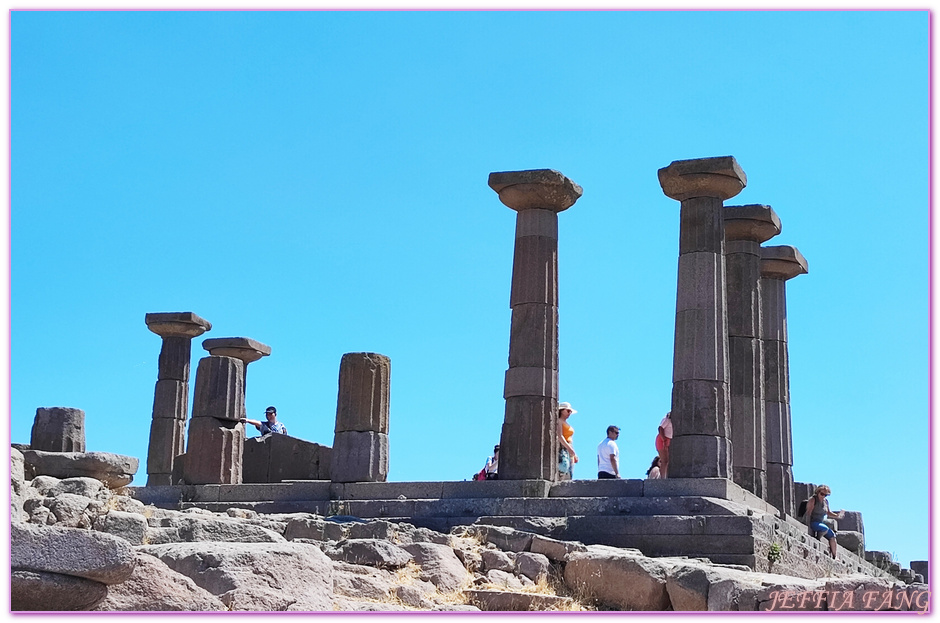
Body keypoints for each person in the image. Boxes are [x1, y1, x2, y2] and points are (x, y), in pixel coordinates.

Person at [806, 484, 845, 559]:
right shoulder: (813, 500)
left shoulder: (825, 502)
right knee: (825, 528)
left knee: (832, 536)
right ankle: (818, 537)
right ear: (818, 492)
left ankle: (834, 555)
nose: (823, 496)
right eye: (822, 494)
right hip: (813, 521)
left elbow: (828, 513)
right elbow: (808, 513)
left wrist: (837, 516)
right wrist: (807, 525)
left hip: (820, 522)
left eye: (825, 495)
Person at [557, 402, 579, 480]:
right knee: (563, 469)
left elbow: (570, 439)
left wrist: (574, 453)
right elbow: (560, 436)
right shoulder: (559, 421)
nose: (569, 413)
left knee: (569, 472)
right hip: (563, 448)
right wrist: (569, 448)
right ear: (562, 410)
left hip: (569, 448)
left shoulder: (567, 423)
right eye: (568, 411)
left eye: (570, 411)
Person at [656, 411, 672, 478]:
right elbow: (660, 428)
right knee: (664, 460)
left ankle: (666, 476)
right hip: (662, 439)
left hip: (670, 440)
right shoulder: (667, 420)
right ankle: (663, 477)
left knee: (669, 460)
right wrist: (664, 440)